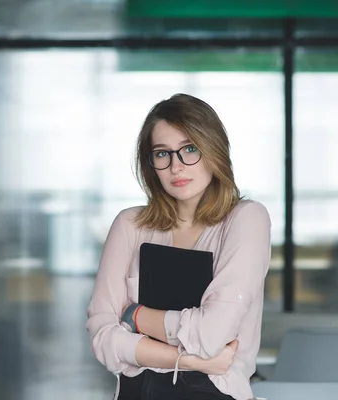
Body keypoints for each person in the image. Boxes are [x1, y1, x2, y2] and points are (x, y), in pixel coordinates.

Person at [86, 93, 271, 400]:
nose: (176, 166)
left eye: (190, 149)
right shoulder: (130, 225)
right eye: (162, 154)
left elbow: (211, 335)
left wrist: (135, 316)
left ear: (214, 150)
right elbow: (103, 340)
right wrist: (186, 360)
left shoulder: (246, 218)